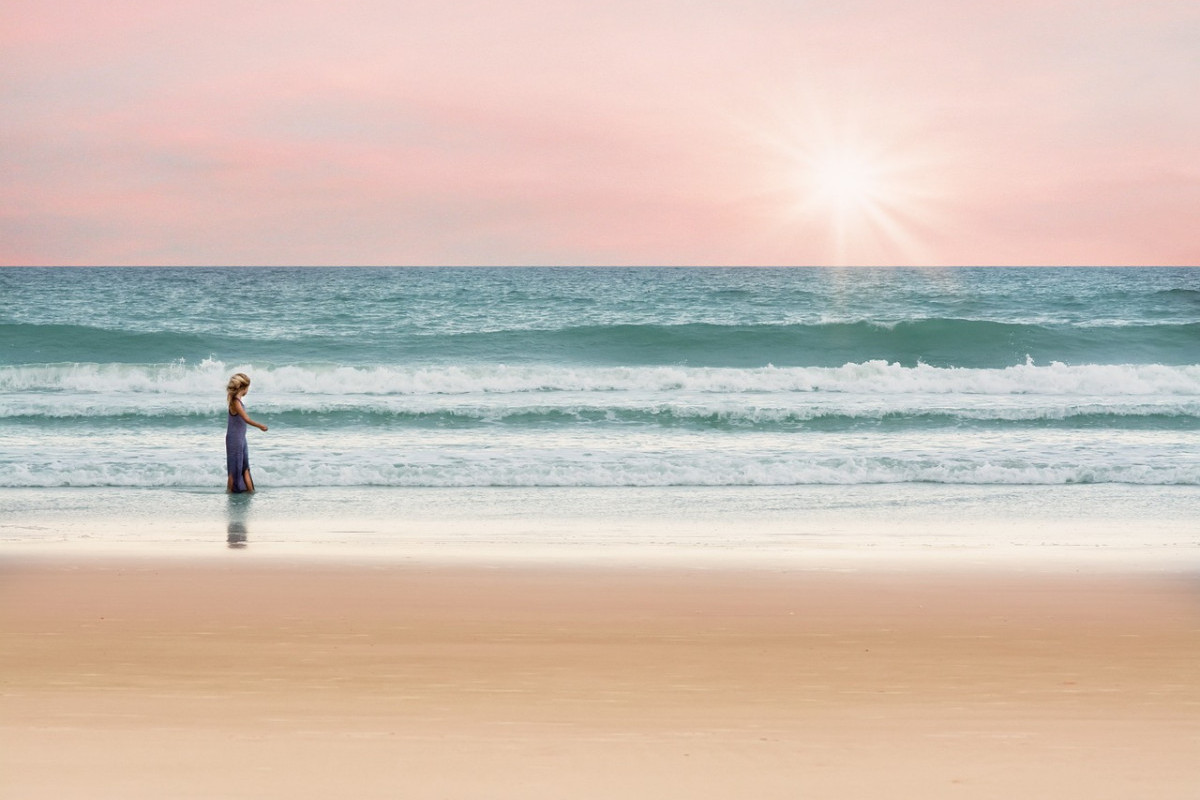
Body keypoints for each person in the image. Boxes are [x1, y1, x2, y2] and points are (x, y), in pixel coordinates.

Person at [226, 373, 268, 493]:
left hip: (241, 439)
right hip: (234, 440)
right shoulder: (235, 402)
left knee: (245, 467)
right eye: (248, 387)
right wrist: (260, 426)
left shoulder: (237, 400)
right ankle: (229, 493)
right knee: (233, 470)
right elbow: (246, 419)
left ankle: (251, 493)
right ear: (243, 388)